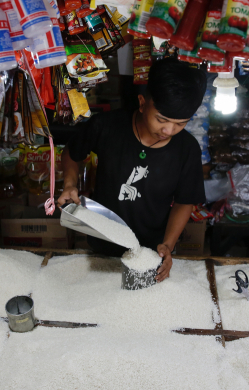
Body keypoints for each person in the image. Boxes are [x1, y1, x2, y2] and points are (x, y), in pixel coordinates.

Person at [58, 58, 207, 282]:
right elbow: (72, 153)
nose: (169, 130)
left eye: (181, 123)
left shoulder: (187, 149)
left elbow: (184, 201)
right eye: (161, 120)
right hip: (102, 246)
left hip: (149, 253)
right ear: (142, 103)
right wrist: (70, 184)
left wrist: (168, 245)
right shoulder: (107, 126)